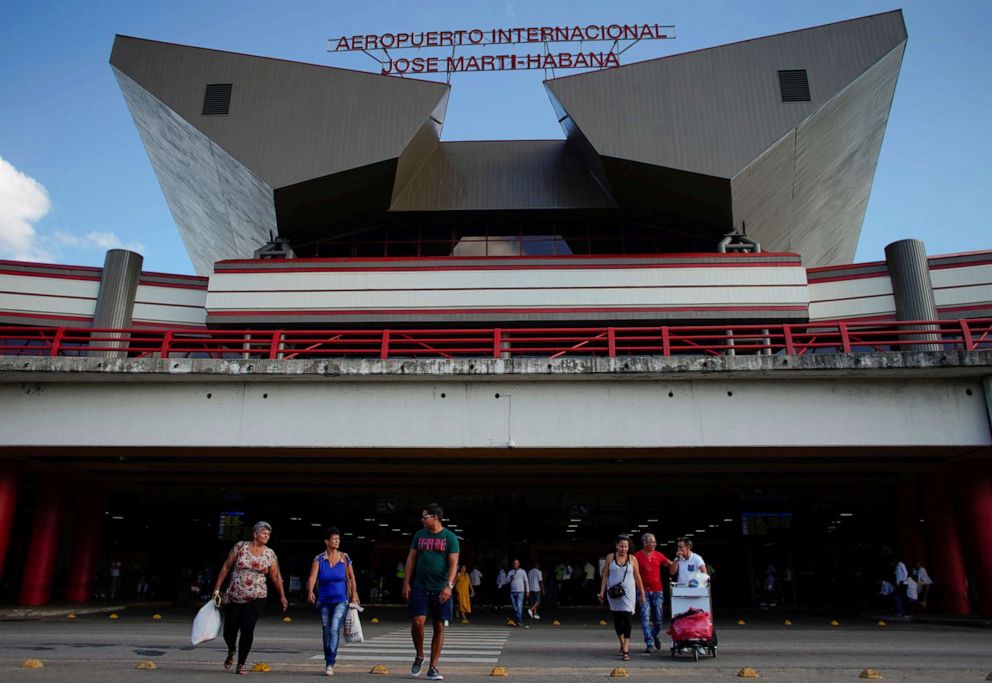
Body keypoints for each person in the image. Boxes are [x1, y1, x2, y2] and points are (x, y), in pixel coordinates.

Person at [212, 521, 288, 675]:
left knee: (248, 629)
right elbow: (226, 567)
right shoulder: (240, 547)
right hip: (234, 595)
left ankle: (241, 663)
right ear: (255, 534)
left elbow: (275, 576)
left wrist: (282, 595)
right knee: (230, 630)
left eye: (268, 534)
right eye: (264, 533)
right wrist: (217, 588)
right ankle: (232, 649)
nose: (267, 536)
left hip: (257, 597)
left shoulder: (270, 554)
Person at [403, 503, 460, 681]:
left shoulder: (450, 538)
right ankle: (420, 654)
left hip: (440, 589)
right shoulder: (419, 536)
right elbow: (411, 558)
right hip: (420, 586)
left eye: (424, 516)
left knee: (439, 626)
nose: (422, 520)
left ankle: (433, 667)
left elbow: (453, 565)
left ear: (435, 517)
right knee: (417, 622)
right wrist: (406, 582)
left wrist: (449, 586)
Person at [306, 526, 359, 677]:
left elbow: (351, 578)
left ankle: (330, 662)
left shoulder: (344, 558)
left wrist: (354, 595)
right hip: (323, 600)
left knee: (334, 627)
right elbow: (312, 577)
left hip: (341, 600)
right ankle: (328, 656)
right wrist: (310, 591)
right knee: (326, 629)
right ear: (326, 541)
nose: (337, 541)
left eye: (338, 539)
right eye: (334, 539)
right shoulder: (319, 559)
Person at [598, 536, 646, 661]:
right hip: (613, 593)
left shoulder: (632, 559)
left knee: (627, 616)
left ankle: (626, 647)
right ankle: (621, 642)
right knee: (618, 620)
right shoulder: (610, 557)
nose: (624, 549)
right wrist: (602, 592)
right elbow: (605, 576)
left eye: (626, 546)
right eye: (621, 546)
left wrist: (642, 594)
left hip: (628, 593)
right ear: (616, 546)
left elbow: (637, 577)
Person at [633, 533, 671, 653]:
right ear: (645, 543)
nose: (654, 544)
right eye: (652, 542)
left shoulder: (658, 555)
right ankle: (649, 643)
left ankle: (654, 634)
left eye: (654, 542)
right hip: (643, 591)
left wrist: (679, 560)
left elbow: (670, 564)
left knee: (659, 618)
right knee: (645, 618)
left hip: (657, 591)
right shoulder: (636, 556)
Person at [507, 559, 529, 626]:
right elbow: (506, 581)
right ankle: (518, 619)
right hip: (513, 592)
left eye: (516, 563)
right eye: (514, 563)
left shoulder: (523, 571)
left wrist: (527, 591)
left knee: (519, 606)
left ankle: (519, 621)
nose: (515, 564)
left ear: (519, 564)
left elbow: (526, 581)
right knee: (515, 607)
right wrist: (510, 578)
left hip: (520, 591)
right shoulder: (511, 572)